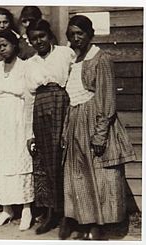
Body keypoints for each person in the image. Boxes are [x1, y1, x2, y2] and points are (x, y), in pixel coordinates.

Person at [59, 15, 136, 240]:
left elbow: (108, 99)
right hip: (75, 120)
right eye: (72, 34)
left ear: (89, 34)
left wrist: (100, 134)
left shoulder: (100, 58)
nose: (76, 38)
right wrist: (67, 129)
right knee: (79, 177)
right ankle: (84, 222)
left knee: (99, 176)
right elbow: (72, 97)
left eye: (80, 33)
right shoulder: (74, 59)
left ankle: (98, 227)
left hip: (94, 121)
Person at [25, 19, 76, 235]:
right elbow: (29, 98)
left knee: (63, 161)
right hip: (40, 109)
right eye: (34, 38)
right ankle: (49, 213)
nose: (39, 41)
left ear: (50, 35)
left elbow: (74, 84)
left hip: (62, 105)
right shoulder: (30, 63)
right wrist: (29, 133)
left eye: (42, 36)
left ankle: (67, 215)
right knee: (44, 163)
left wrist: (72, 117)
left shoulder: (65, 54)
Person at [0, 29, 34, 231]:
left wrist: (29, 126)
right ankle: (6, 209)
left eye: (5, 45)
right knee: (1, 161)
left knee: (19, 159)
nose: (2, 49)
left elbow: (29, 96)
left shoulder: (25, 67)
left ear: (15, 45)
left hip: (18, 115)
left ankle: (26, 209)